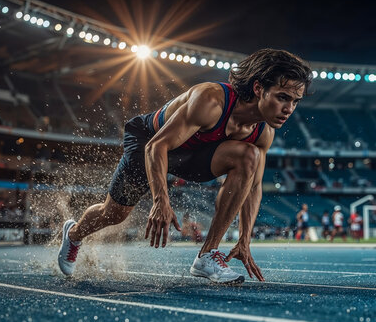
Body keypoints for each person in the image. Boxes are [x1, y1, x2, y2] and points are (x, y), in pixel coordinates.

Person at [57, 49, 312, 284]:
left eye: (295, 101)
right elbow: (155, 148)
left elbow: (254, 187)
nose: (289, 109)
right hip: (151, 142)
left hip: (195, 155)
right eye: (282, 97)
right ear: (258, 88)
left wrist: (245, 239)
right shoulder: (211, 100)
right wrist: (160, 200)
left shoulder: (263, 133)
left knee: (249, 157)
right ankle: (74, 234)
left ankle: (207, 255)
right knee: (113, 214)